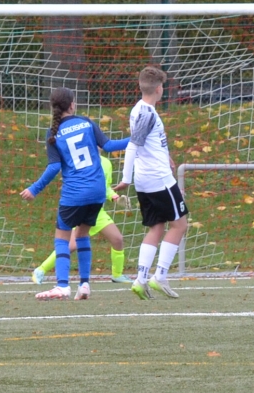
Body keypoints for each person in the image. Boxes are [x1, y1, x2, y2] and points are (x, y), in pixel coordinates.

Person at [20, 89, 127, 302]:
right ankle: (84, 284)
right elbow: (109, 146)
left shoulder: (53, 133)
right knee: (82, 235)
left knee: (62, 238)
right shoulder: (87, 123)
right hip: (97, 192)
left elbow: (53, 168)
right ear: (72, 105)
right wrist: (137, 139)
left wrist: (34, 189)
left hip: (75, 193)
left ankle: (62, 286)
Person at [123, 66, 189, 300]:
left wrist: (165, 154)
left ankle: (141, 280)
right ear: (159, 89)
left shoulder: (139, 109)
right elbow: (133, 145)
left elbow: (148, 142)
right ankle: (159, 276)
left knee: (157, 227)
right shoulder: (149, 113)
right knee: (180, 225)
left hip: (146, 179)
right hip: (158, 180)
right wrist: (124, 179)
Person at [31, 147, 125, 286]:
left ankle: (117, 275)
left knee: (117, 239)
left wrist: (115, 197)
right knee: (71, 245)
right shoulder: (82, 162)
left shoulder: (106, 163)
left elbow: (105, 187)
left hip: (98, 211)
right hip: (83, 207)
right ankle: (40, 270)